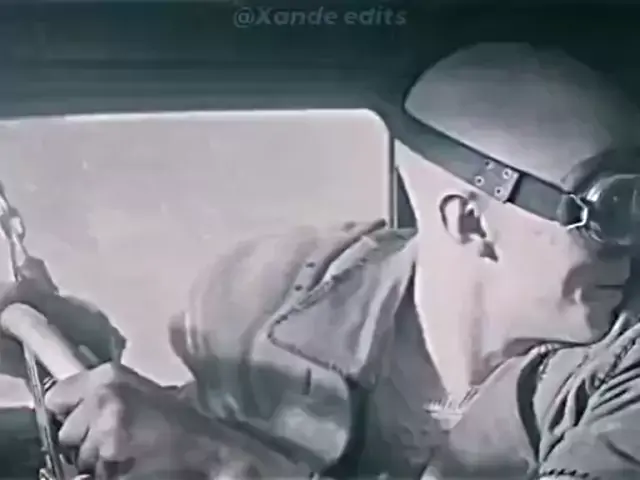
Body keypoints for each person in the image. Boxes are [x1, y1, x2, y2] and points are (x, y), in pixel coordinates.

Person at [2, 42, 640, 479]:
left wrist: (227, 463)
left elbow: (217, 447)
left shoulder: (623, 374)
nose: (635, 241)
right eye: (613, 207)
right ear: (469, 222)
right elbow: (211, 416)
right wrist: (96, 377)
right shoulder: (275, 306)